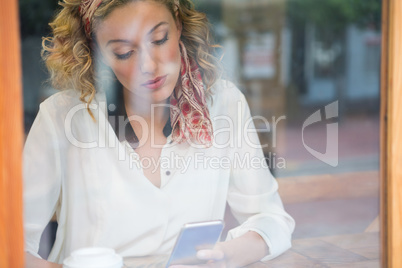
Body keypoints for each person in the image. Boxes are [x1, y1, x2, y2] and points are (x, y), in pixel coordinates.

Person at [23, 0, 295, 267]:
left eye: (159, 39)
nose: (149, 65)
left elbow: (271, 219)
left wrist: (225, 256)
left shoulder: (224, 103)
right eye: (123, 53)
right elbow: (11, 242)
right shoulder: (62, 117)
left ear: (177, 23)